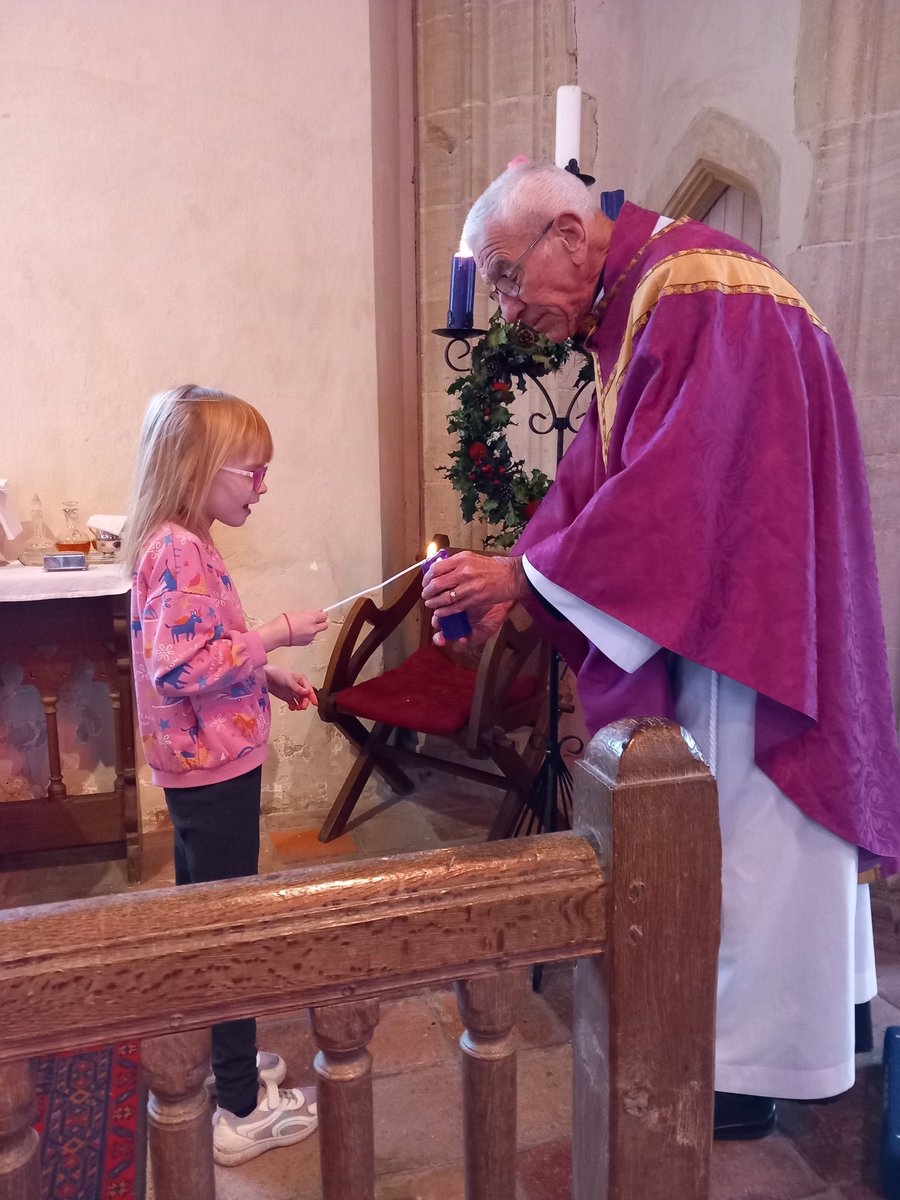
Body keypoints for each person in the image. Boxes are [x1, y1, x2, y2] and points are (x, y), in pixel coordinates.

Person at [422, 161, 900, 1138]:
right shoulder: (647, 294)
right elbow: (603, 475)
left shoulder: (693, 292)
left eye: (508, 279)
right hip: (737, 614)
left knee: (748, 842)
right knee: (737, 849)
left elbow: (670, 498)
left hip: (750, 637)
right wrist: (513, 571)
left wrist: (520, 580)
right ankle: (762, 1047)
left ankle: (744, 1069)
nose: (507, 312)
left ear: (566, 231)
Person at [125, 384, 328, 1166]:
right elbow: (178, 668)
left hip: (203, 762)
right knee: (234, 926)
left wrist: (264, 676)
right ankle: (239, 1106)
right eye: (254, 470)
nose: (264, 484)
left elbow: (205, 652)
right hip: (211, 770)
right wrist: (276, 634)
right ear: (200, 467)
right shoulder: (176, 548)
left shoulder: (188, 541)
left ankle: (224, 1061)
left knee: (211, 913)